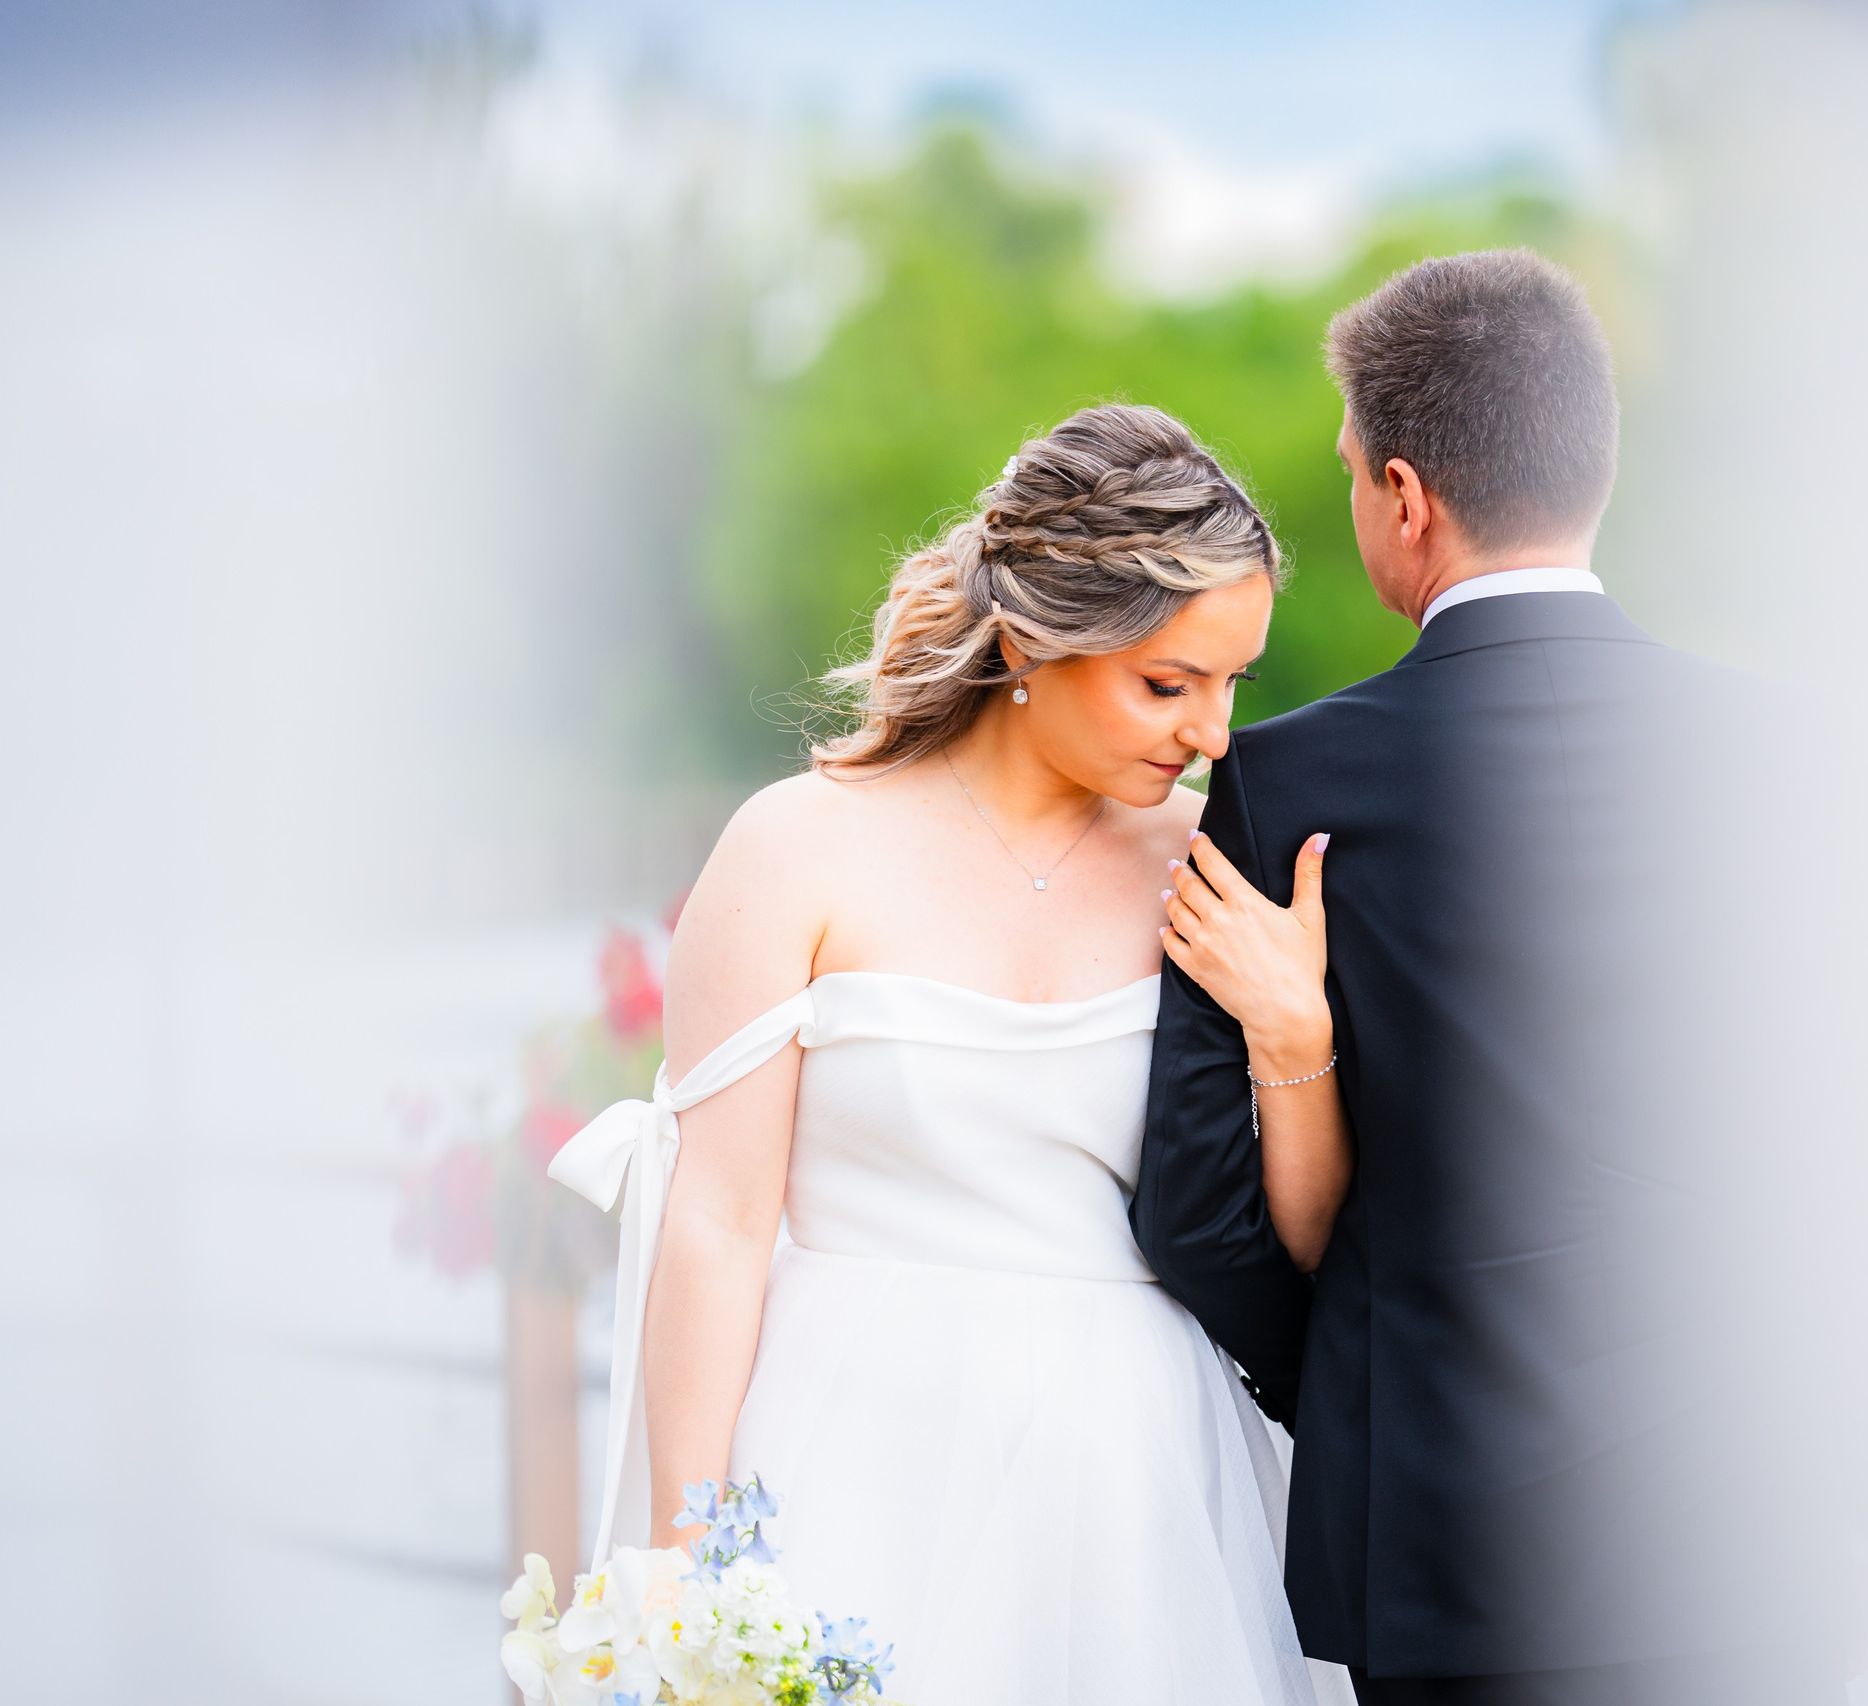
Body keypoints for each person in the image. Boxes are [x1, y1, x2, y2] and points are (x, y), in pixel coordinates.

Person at [551, 403, 1354, 1705]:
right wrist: (681, 1565)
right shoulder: (795, 847)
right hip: (849, 1461)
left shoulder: (1215, 864)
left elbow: (1301, 1234)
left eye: (1231, 683)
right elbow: (718, 1220)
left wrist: (1297, 1037)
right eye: (1169, 681)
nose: (1211, 730)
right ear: (1038, 635)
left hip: (1136, 1495)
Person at [1136, 251, 1844, 1706]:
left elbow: (1200, 1214)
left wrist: (1353, 1388)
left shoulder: (1283, 784)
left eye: (1348, 476)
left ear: (1406, 494)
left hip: (1444, 1547)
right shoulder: (1790, 758)